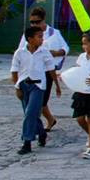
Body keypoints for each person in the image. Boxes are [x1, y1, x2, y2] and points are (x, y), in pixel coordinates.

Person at [10, 25, 61, 154]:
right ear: (30, 39)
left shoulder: (44, 52)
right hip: (24, 85)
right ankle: (42, 133)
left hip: (38, 87)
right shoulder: (19, 53)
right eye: (39, 37)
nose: (42, 39)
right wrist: (17, 87)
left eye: (42, 37)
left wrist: (57, 85)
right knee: (29, 114)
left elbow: (51, 69)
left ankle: (27, 142)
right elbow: (14, 71)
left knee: (30, 113)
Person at [19, 6, 69, 132]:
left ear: (43, 20)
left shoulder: (53, 33)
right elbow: (20, 51)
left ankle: (37, 129)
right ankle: (47, 122)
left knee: (40, 101)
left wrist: (56, 53)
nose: (34, 25)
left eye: (37, 22)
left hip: (46, 71)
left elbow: (65, 48)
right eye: (32, 22)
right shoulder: (28, 34)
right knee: (34, 102)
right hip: (31, 71)